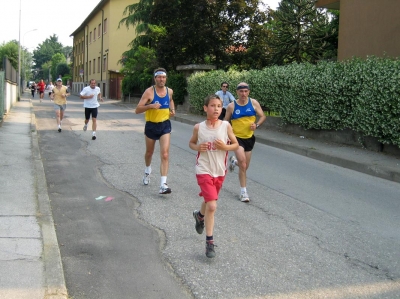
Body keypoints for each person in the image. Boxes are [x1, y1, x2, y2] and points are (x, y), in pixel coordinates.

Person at [189, 94, 238, 258]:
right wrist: (197, 147)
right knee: (212, 205)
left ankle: (199, 216)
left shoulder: (226, 126)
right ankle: (209, 242)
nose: (216, 109)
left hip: (219, 170)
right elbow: (191, 143)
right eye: (212, 105)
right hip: (203, 169)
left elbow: (236, 144)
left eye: (219, 106)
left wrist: (225, 146)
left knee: (208, 200)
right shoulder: (199, 127)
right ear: (205, 108)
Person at [135, 68, 175, 195]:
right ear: (155, 78)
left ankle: (163, 184)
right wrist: (150, 106)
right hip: (151, 125)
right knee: (149, 152)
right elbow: (137, 109)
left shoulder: (169, 91)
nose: (161, 79)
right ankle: (147, 171)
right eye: (159, 77)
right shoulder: (149, 92)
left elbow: (171, 100)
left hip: (165, 125)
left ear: (166, 78)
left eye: (163, 77)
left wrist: (172, 110)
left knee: (164, 154)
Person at [224, 82, 266, 202]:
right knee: (243, 164)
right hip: (237, 138)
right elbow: (225, 121)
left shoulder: (253, 103)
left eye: (246, 91)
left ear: (249, 92)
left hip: (249, 138)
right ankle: (243, 192)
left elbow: (262, 116)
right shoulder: (232, 106)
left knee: (245, 166)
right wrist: (226, 132)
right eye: (241, 91)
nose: (243, 94)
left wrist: (256, 125)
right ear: (237, 92)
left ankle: (233, 161)